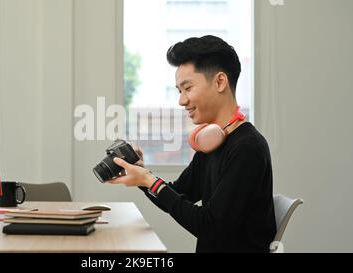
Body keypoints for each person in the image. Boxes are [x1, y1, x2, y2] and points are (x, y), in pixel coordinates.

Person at [108, 35, 276, 253]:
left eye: (187, 88)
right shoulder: (212, 144)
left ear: (220, 82)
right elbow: (177, 193)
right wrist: (142, 176)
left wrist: (150, 181)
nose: (181, 100)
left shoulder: (248, 147)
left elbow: (210, 226)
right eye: (179, 91)